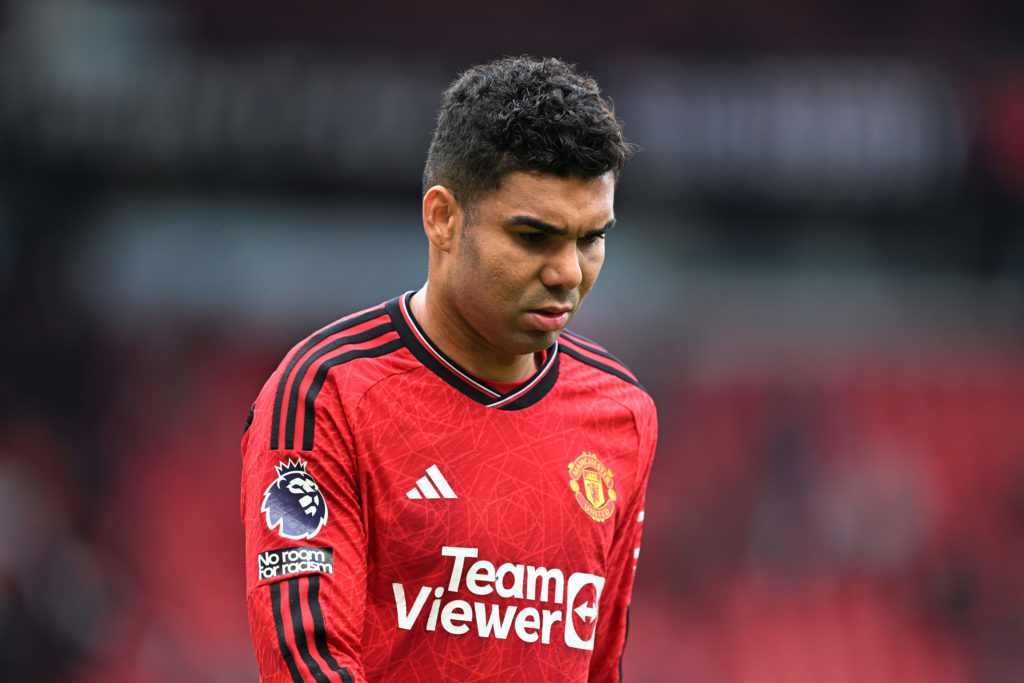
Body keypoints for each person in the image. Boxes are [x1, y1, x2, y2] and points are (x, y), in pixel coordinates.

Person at [241, 55, 657, 682]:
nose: (568, 273)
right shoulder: (328, 395)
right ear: (443, 218)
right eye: (532, 236)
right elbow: (309, 661)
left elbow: (599, 667)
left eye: (591, 238)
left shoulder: (623, 414)